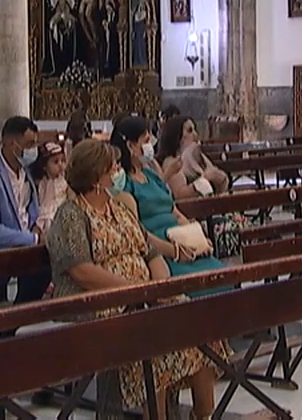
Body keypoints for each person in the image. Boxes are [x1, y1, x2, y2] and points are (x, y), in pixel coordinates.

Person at [45, 139, 228, 418]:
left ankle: (203, 414)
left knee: (198, 325)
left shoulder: (120, 208)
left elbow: (150, 251)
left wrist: (159, 287)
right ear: (96, 176)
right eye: (114, 167)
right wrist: (133, 290)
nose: (119, 171)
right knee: (153, 338)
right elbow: (81, 269)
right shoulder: (71, 214)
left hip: (143, 297)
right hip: (98, 301)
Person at [109, 116, 228, 297]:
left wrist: (197, 237)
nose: (150, 146)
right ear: (131, 146)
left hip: (182, 243)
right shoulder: (123, 184)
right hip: (160, 251)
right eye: (146, 141)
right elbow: (136, 231)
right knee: (200, 288)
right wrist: (174, 251)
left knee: (223, 277)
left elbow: (175, 212)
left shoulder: (151, 175)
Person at [0, 116, 51, 309]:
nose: (33, 150)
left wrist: (37, 227)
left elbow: (31, 208)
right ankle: (7, 328)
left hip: (25, 245)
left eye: (35, 144)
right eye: (29, 144)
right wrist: (33, 239)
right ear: (10, 143)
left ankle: (24, 316)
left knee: (46, 264)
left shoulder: (25, 170)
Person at [156, 116, 245, 257]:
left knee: (253, 229)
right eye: (190, 131)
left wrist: (219, 179)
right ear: (177, 137)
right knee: (240, 230)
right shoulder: (172, 163)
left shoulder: (196, 157)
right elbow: (180, 197)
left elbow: (221, 184)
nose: (195, 135)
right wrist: (203, 181)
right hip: (194, 221)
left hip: (210, 212)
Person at [30, 142, 68, 234]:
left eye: (62, 161)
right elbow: (44, 204)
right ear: (44, 166)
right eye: (55, 162)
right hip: (47, 213)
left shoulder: (65, 181)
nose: (60, 165)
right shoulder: (42, 184)